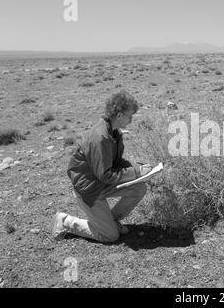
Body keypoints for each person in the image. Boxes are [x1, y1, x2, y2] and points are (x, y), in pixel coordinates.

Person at [51, 90, 151, 243]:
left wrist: (140, 171)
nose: (131, 120)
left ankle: (110, 222)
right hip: (89, 189)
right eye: (130, 116)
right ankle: (66, 222)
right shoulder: (100, 137)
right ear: (119, 115)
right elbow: (106, 175)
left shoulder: (114, 133)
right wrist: (135, 172)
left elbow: (116, 163)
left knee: (139, 188)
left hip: (101, 183)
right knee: (111, 236)